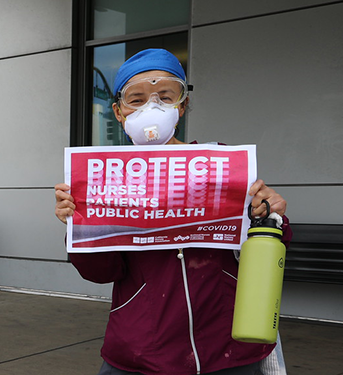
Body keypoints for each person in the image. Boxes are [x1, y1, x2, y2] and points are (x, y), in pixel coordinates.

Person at [52, 48, 289, 375]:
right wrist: (78, 223)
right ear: (119, 112)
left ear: (182, 104)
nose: (152, 106)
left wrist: (270, 214)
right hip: (141, 350)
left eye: (165, 96)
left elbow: (269, 245)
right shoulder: (106, 180)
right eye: (136, 99)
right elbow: (100, 271)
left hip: (229, 346)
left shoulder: (223, 166)